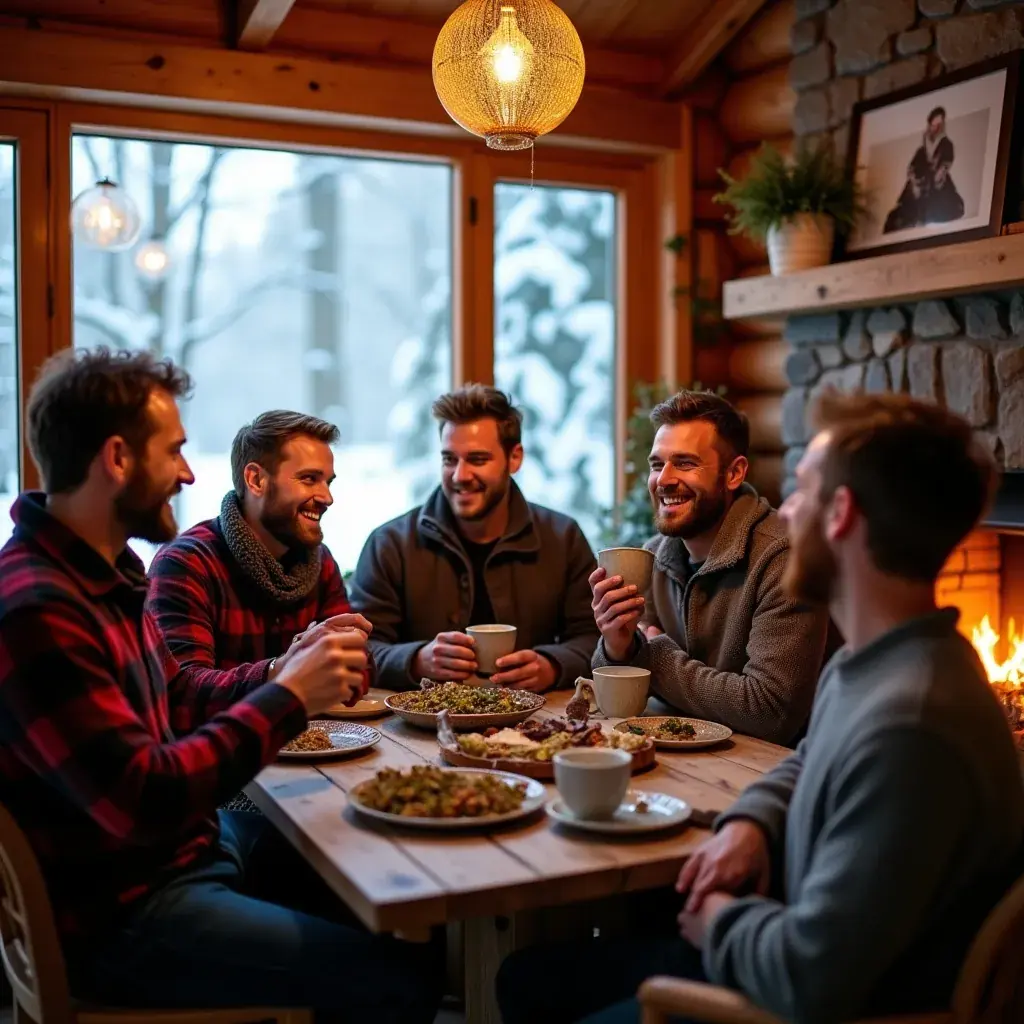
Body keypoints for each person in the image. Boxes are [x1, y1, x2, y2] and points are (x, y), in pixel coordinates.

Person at [497, 390, 1024, 1024]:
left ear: (842, 517)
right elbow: (809, 759)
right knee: (531, 976)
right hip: (784, 940)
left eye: (801, 490)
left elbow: (811, 977)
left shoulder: (911, 723)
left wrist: (720, 918)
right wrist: (753, 821)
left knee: (532, 988)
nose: (783, 512)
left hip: (814, 1002)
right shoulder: (883, 662)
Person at [0, 348, 439, 1020]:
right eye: (172, 451)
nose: (188, 473)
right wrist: (288, 690)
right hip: (122, 912)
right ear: (117, 459)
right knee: (395, 978)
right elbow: (147, 796)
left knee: (370, 866)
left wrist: (295, 679)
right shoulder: (39, 609)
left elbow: (177, 699)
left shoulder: (103, 575)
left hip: (184, 850)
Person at [589, 390, 829, 744]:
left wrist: (651, 655)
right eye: (657, 465)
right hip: (681, 759)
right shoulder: (654, 555)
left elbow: (769, 711)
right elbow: (621, 699)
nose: (664, 480)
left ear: (734, 474)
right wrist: (617, 645)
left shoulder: (784, 556)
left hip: (774, 772)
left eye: (685, 463)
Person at [350, 384, 599, 692]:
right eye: (449, 459)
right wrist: (415, 661)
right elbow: (359, 648)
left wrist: (552, 665)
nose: (459, 475)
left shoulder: (563, 538)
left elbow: (595, 637)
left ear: (515, 458)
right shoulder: (389, 543)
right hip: (418, 728)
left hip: (534, 724)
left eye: (477, 459)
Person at [148, 410, 373, 692]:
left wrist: (347, 660)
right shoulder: (185, 564)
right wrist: (280, 671)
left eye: (328, 482)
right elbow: (182, 692)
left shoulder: (320, 560)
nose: (327, 497)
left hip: (310, 734)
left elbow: (357, 678)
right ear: (255, 480)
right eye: (309, 479)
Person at [884, 106, 965, 233]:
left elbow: (947, 160)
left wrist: (941, 171)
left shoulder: (946, 143)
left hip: (937, 183)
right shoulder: (921, 150)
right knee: (901, 214)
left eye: (940, 124)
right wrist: (914, 178)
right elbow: (913, 166)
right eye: (934, 124)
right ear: (930, 125)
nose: (937, 127)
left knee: (946, 207)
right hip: (920, 181)